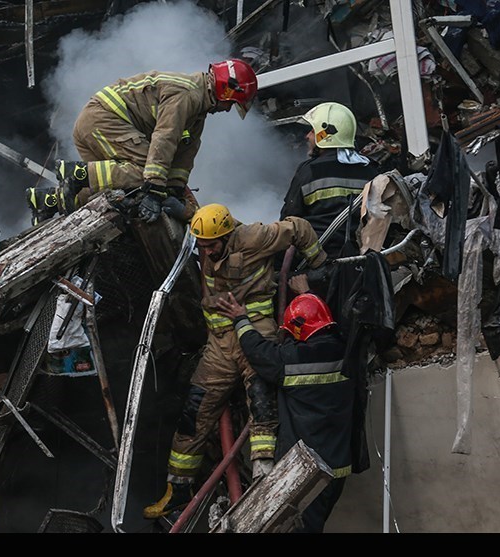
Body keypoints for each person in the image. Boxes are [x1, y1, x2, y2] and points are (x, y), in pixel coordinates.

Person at [142, 203, 329, 520]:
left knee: (262, 404)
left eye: (211, 244)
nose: (206, 250)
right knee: (194, 413)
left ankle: (263, 480)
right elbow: (194, 213)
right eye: (201, 244)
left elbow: (298, 227)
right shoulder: (206, 241)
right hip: (218, 346)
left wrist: (320, 263)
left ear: (228, 235)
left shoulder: (254, 237)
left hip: (256, 335)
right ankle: (178, 491)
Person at [214, 289, 353, 533]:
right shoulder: (344, 352)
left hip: (308, 471)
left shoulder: (296, 359)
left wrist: (241, 319)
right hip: (338, 467)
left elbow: (261, 355)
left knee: (300, 528)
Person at [55, 59, 258, 223]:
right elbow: (165, 137)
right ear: (226, 90)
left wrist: (175, 189)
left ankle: (50, 200)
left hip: (99, 123)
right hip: (102, 120)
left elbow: (185, 155)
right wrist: (154, 188)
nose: (228, 109)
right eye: (231, 104)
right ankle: (77, 173)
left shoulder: (198, 111)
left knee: (119, 187)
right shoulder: (187, 94)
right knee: (146, 172)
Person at [280, 102, 380, 259]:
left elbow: (290, 220)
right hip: (361, 257)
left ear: (325, 134)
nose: (307, 136)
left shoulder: (309, 171)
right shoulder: (371, 171)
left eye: (313, 131)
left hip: (315, 259)